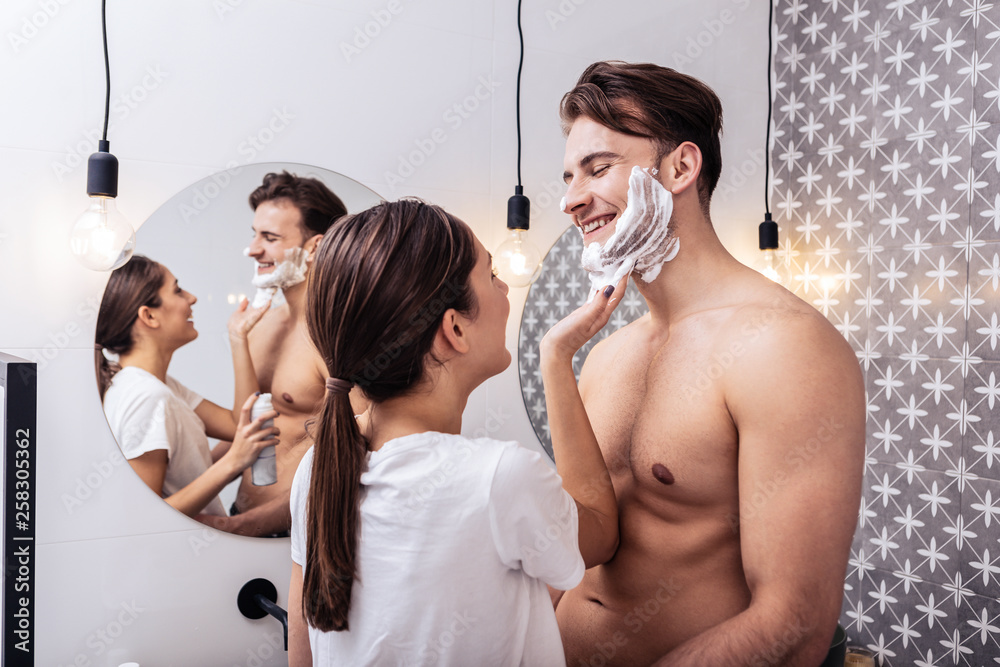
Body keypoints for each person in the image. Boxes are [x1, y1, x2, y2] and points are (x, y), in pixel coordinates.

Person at [551, 61, 866, 666]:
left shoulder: (784, 346)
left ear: (680, 168)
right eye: (567, 176)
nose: (570, 200)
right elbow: (571, 555)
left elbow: (793, 622)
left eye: (598, 167)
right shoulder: (606, 357)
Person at [287, 199, 621, 666]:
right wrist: (556, 359)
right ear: (455, 329)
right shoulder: (498, 479)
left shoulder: (319, 468)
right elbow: (601, 533)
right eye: (491, 274)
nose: (506, 288)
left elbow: (303, 647)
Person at [96, 255, 279, 520]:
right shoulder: (147, 397)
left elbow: (235, 423)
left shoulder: (155, 385)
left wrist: (238, 337)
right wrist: (234, 461)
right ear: (149, 316)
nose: (192, 298)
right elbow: (143, 519)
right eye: (178, 290)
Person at [218, 171, 349, 536]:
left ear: (315, 247)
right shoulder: (261, 323)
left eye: (270, 237)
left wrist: (242, 526)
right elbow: (242, 428)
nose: (253, 248)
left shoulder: (338, 341)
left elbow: (347, 463)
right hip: (238, 515)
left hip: (295, 534)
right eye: (254, 233)